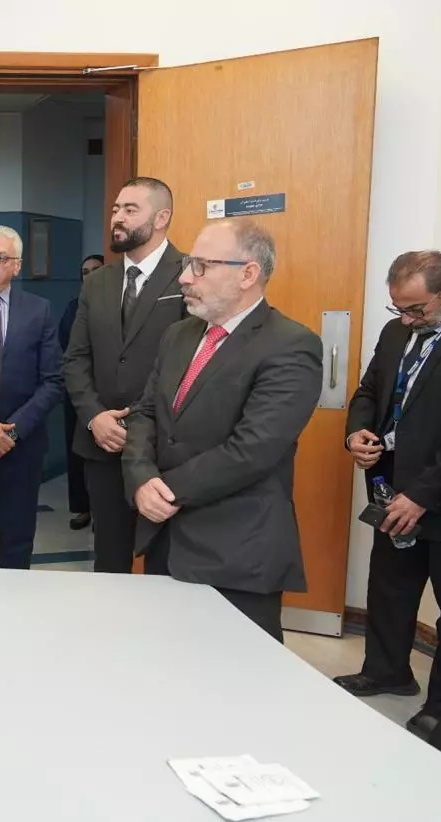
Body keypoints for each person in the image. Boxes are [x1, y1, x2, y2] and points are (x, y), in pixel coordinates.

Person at [122, 219, 322, 641]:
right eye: (187, 265)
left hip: (238, 553)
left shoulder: (291, 345)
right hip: (166, 539)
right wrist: (141, 479)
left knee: (238, 671)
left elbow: (254, 449)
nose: (184, 278)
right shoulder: (177, 335)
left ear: (248, 274)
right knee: (167, 660)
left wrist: (166, 490)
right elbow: (144, 413)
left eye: (201, 266)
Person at [333, 250, 441, 742]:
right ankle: (387, 670)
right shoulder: (395, 333)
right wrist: (356, 433)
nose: (407, 320)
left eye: (417, 310)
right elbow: (369, 391)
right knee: (390, 586)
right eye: (399, 309)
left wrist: (422, 496)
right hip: (390, 489)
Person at [63, 178, 186, 574]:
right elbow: (75, 358)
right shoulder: (97, 282)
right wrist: (94, 416)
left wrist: (143, 425)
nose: (117, 217)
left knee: (167, 565)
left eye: (131, 210)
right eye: (116, 208)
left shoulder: (189, 275)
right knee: (110, 560)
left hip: (164, 448)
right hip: (102, 444)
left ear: (161, 218)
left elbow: (194, 365)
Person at [0, 225, 64, 569]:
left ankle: (14, 597)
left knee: (18, 536)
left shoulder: (38, 310)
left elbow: (53, 381)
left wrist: (13, 430)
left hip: (21, 442)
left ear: (17, 266)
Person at [59, 254, 104, 530]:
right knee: (77, 452)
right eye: (85, 272)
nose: (90, 275)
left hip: (107, 392)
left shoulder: (114, 303)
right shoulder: (73, 307)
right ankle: (82, 507)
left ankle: (103, 511)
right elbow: (67, 350)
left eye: (95, 270)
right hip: (77, 391)